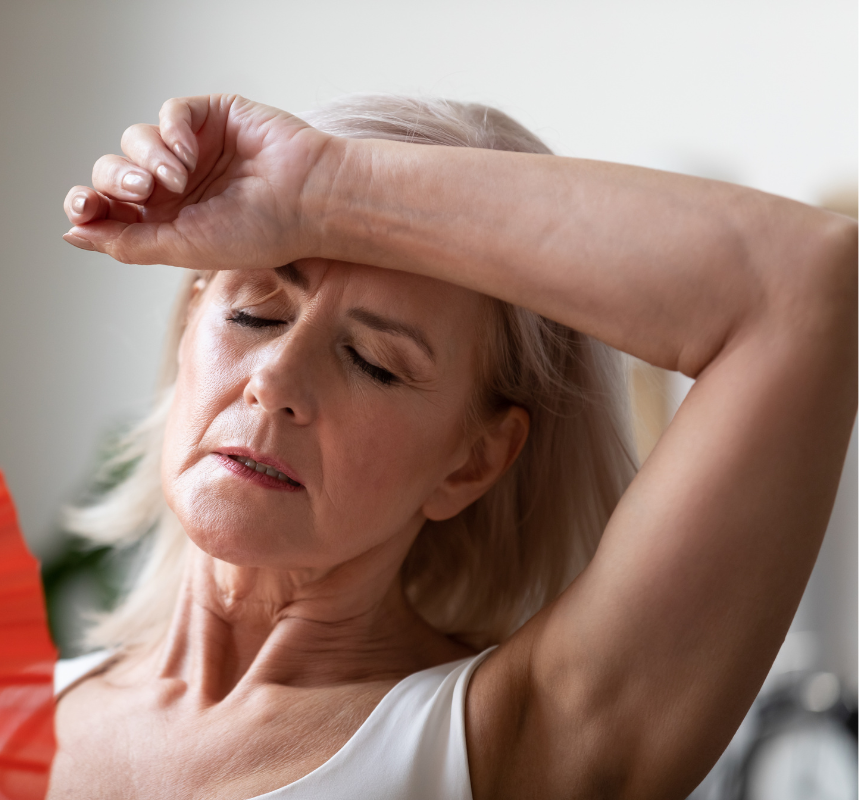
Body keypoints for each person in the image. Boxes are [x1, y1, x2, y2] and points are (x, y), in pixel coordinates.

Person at [47, 94, 856, 799]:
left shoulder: (511, 746)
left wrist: (321, 187)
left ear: (472, 462)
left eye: (375, 364)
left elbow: (807, 285)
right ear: (192, 321)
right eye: (255, 312)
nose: (276, 381)